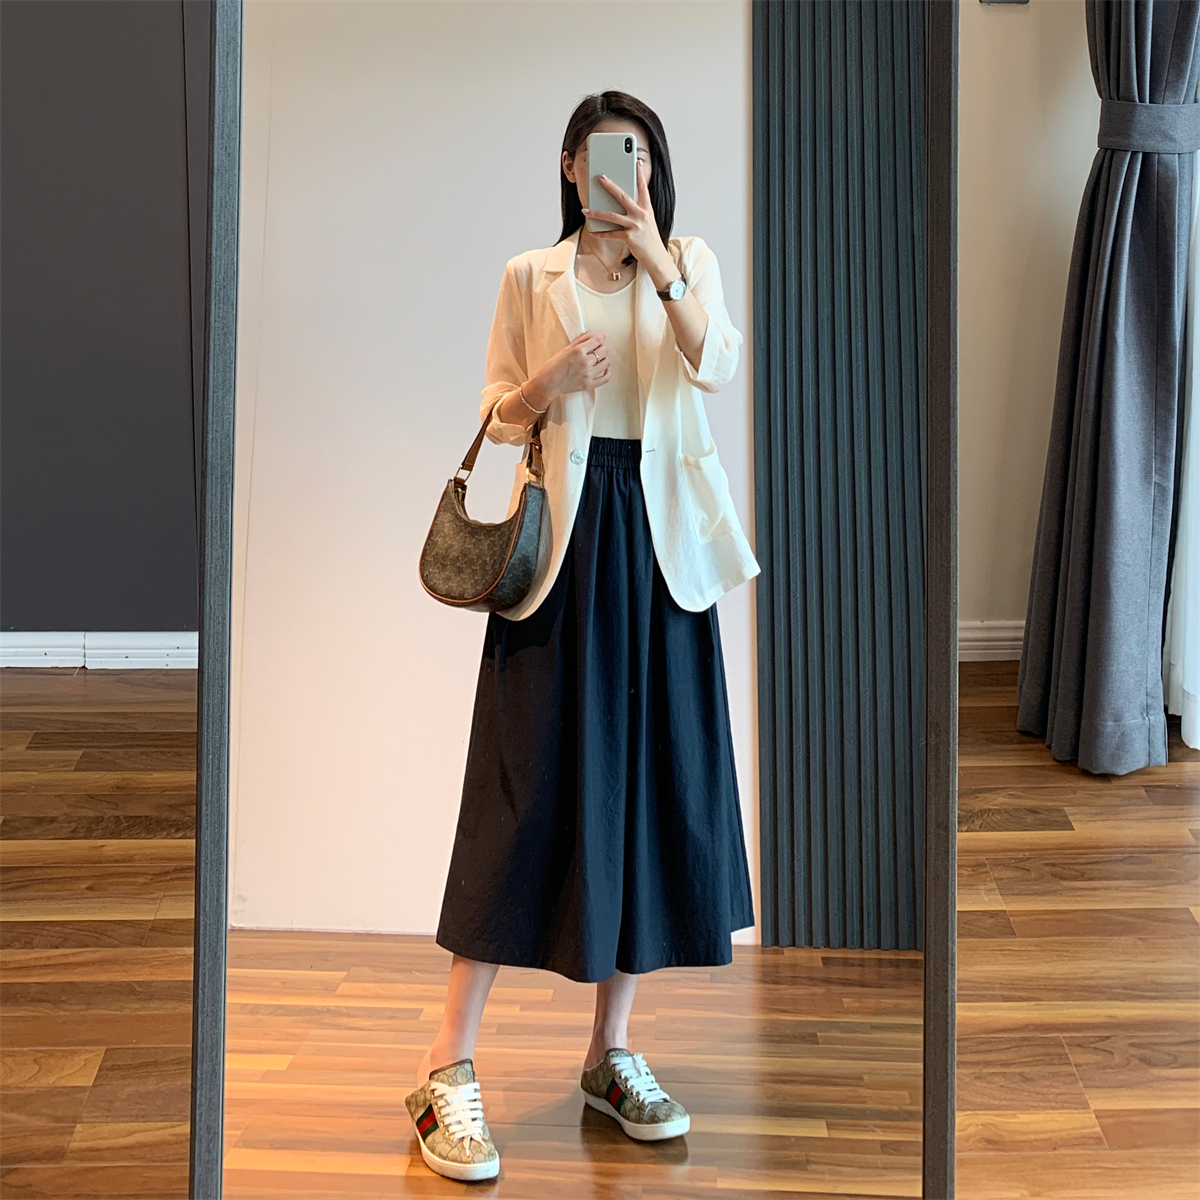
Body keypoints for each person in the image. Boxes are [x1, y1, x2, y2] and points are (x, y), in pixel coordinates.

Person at [405, 90, 760, 1183]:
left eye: (640, 153)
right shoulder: (531, 276)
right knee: (522, 795)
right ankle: (443, 1069)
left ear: (653, 167)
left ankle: (610, 1054)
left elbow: (718, 364)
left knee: (647, 792)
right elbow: (496, 414)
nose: (622, 168)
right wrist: (544, 384)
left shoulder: (686, 260)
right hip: (563, 548)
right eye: (608, 153)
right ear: (571, 166)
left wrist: (657, 257)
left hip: (660, 555)